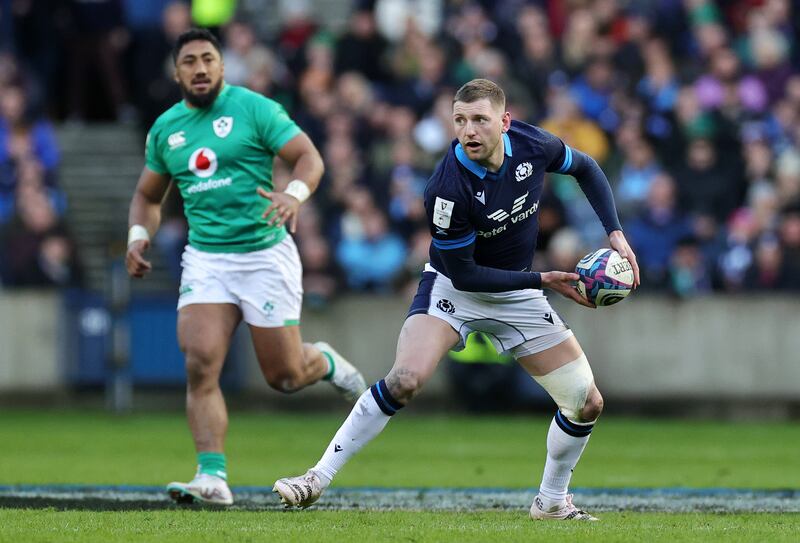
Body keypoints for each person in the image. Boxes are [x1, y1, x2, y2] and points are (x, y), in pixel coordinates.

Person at [273, 79, 640, 521]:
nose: (469, 130)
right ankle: (315, 478)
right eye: (460, 120)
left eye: (480, 119)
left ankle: (552, 502)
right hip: (454, 290)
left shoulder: (531, 144)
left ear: (505, 122)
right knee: (405, 379)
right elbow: (465, 274)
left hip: (518, 293)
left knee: (586, 402)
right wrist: (541, 279)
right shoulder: (446, 189)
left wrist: (614, 233)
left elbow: (586, 167)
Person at [125, 28, 367, 506]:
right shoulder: (166, 129)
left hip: (263, 254)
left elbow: (308, 158)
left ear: (222, 65)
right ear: (176, 72)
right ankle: (211, 477)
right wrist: (138, 235)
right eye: (189, 61)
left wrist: (293, 195)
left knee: (285, 376)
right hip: (207, 258)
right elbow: (147, 196)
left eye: (208, 59)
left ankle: (324, 361)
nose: (200, 68)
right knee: (200, 362)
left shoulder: (255, 108)